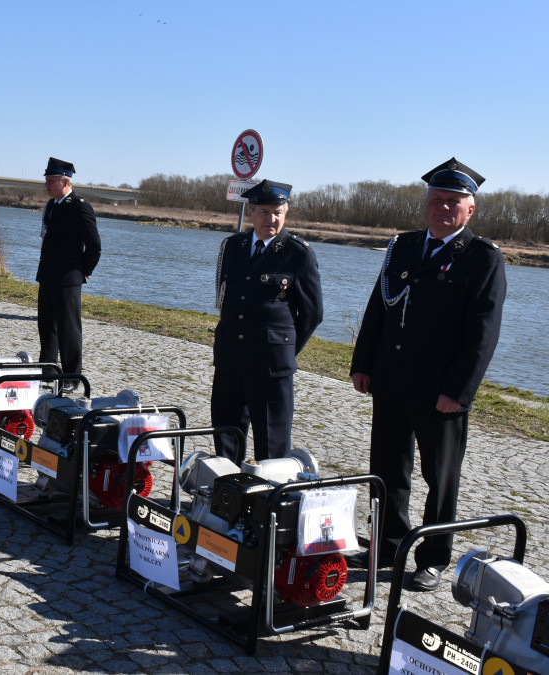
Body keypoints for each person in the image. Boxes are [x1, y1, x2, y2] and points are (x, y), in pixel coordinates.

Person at [350, 158, 506, 592]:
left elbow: (483, 334)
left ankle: (433, 556)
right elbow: (378, 309)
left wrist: (459, 391)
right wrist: (363, 364)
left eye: (453, 202)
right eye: (436, 200)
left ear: (469, 210)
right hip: (392, 380)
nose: (442, 208)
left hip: (441, 392)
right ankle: (388, 543)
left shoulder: (482, 258)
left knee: (441, 478)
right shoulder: (403, 246)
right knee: (386, 469)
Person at [210, 179, 323, 463]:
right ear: (250, 213)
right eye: (264, 212)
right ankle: (227, 496)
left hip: (271, 364)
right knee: (226, 435)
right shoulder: (233, 246)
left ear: (285, 214)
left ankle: (266, 502)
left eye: (278, 212)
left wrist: (283, 348)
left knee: (271, 444)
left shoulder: (298, 253)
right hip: (231, 358)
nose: (271, 219)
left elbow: (312, 313)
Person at [36, 157, 101, 389]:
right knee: (47, 326)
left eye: (50, 180)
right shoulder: (52, 206)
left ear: (65, 182)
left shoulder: (79, 206)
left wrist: (85, 270)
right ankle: (47, 371)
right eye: (46, 180)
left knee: (68, 329)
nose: (46, 184)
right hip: (48, 275)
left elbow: (94, 245)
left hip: (68, 277)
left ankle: (72, 378)